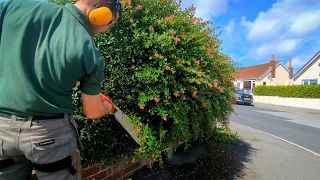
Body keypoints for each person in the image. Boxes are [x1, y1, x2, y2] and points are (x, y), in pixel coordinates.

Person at [0, 0, 122, 179]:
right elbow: (93, 111)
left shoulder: (14, 6)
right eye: (110, 22)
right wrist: (108, 107)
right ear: (100, 10)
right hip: (50, 136)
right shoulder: (90, 51)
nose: (105, 30)